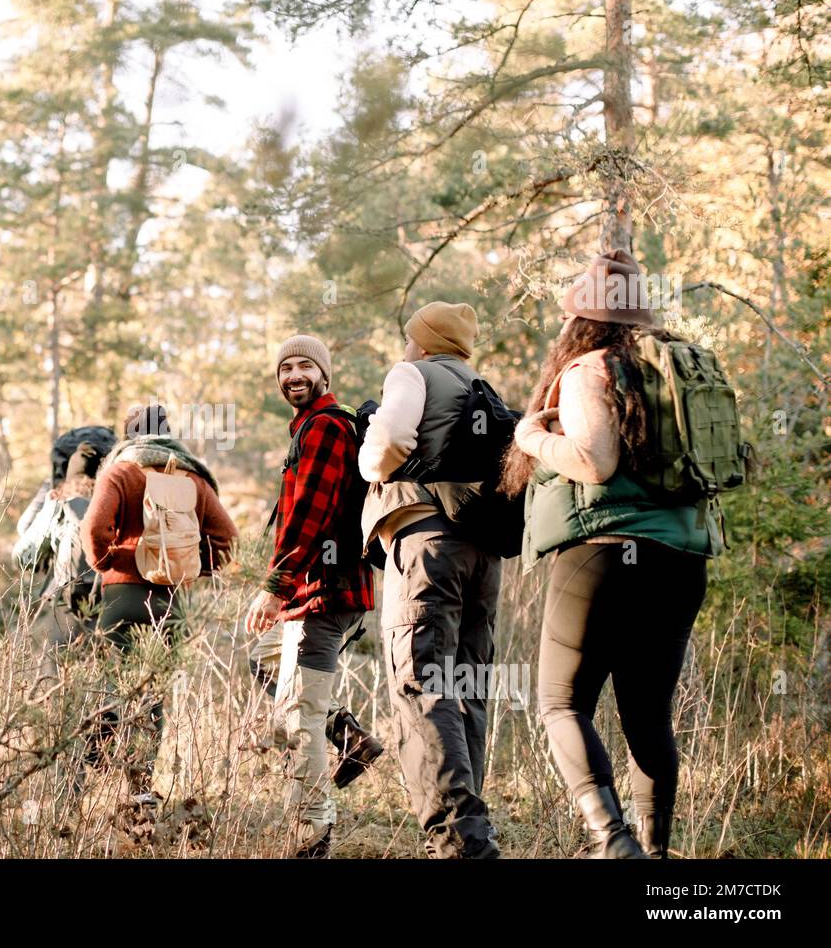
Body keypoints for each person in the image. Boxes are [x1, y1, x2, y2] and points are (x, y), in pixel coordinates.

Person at [499, 249, 723, 858]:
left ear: (581, 320)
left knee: (560, 701)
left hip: (604, 556)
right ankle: (655, 855)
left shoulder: (590, 368)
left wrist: (532, 437)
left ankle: (611, 840)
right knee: (648, 715)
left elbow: (595, 463)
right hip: (682, 559)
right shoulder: (677, 367)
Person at [357, 301, 502, 859]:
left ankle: (459, 838)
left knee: (421, 677)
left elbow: (390, 440)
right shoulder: (480, 385)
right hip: (483, 552)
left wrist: (372, 467)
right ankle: (472, 825)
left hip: (426, 544)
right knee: (467, 682)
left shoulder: (412, 373)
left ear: (422, 339)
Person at [247, 336, 375, 858]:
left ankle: (313, 836)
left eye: (304, 366)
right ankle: (348, 737)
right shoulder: (305, 427)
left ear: (324, 374)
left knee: (300, 717)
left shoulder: (324, 427)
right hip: (311, 588)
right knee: (264, 661)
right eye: (285, 368)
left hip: (325, 587)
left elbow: (309, 516)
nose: (293, 375)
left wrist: (274, 586)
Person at [80, 404, 238, 805]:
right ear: (167, 432)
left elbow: (95, 529)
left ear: (128, 435)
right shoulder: (193, 477)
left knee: (109, 689)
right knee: (153, 698)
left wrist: (110, 562)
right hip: (169, 603)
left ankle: (85, 782)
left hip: (119, 597)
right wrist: (190, 567)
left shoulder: (121, 470)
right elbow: (228, 541)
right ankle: (141, 793)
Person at [13, 427, 116, 689]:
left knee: (53, 676)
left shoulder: (61, 498)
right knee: (110, 682)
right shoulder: (123, 492)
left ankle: (60, 722)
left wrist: (49, 500)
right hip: (117, 599)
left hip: (67, 602)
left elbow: (26, 554)